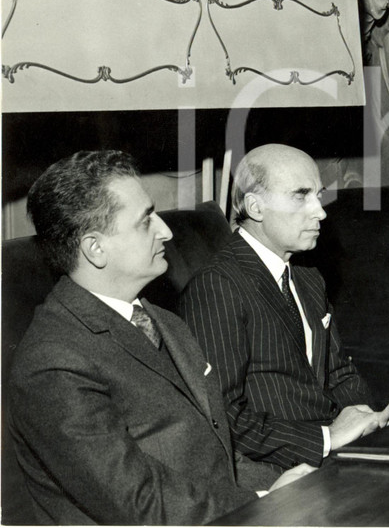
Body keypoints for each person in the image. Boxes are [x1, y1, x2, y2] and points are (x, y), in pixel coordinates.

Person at [7, 151, 311, 525]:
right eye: (145, 220)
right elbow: (138, 503)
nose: (165, 231)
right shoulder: (52, 363)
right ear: (95, 249)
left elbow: (217, 455)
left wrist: (289, 484)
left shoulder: (163, 321)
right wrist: (263, 501)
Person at [180, 144, 389, 477]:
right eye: (301, 196)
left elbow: (338, 372)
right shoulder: (217, 286)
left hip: (336, 452)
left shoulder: (307, 276)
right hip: (280, 470)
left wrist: (371, 421)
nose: (321, 212)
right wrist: (327, 438)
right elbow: (223, 416)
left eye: (318, 195)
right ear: (256, 207)